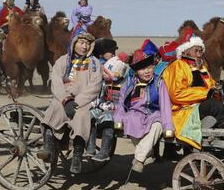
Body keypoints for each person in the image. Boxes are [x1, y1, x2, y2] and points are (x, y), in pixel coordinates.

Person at [162, 28, 224, 152]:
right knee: (213, 106)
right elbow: (177, 94)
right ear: (186, 52)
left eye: (200, 51)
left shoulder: (201, 67)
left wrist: (219, 88)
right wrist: (206, 93)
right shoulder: (177, 66)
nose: (199, 54)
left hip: (202, 107)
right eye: (195, 51)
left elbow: (209, 86)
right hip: (185, 110)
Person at [38, 29, 102, 174]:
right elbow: (56, 82)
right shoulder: (62, 61)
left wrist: (77, 102)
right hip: (63, 100)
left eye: (87, 43)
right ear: (74, 43)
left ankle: (77, 155)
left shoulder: (94, 63)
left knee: (82, 116)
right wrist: (66, 100)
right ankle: (47, 146)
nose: (84, 46)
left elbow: (95, 86)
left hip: (82, 102)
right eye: (81, 42)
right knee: (55, 109)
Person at [114, 48, 174, 173]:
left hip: (154, 114)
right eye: (142, 69)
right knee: (129, 119)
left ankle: (139, 158)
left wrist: (168, 126)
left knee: (158, 125)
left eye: (149, 67)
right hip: (135, 115)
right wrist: (118, 120)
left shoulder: (159, 82)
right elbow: (121, 105)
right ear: (136, 71)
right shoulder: (128, 84)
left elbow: (165, 106)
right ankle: (148, 152)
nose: (147, 71)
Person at [85, 53, 129, 162]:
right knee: (90, 114)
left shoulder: (125, 85)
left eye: (106, 72)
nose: (103, 74)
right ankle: (90, 147)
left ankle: (105, 151)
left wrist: (112, 106)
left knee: (108, 117)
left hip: (119, 112)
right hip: (104, 108)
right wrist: (97, 103)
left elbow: (126, 103)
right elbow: (100, 97)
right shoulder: (105, 83)